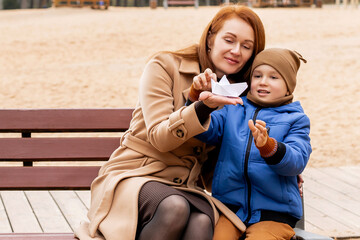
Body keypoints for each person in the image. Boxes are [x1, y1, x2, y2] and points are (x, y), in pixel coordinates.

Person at [74, 4, 265, 240]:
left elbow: (218, 169)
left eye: (247, 46)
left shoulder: (239, 96)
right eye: (229, 40)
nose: (236, 51)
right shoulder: (164, 65)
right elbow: (160, 138)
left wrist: (275, 167)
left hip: (185, 186)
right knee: (174, 207)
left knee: (201, 221)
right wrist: (201, 106)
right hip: (135, 176)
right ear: (210, 38)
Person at [193, 48, 312, 239]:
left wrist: (269, 146)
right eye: (258, 75)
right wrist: (200, 104)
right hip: (230, 209)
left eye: (274, 77)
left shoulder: (296, 119)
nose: (263, 81)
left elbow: (297, 161)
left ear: (289, 86)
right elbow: (206, 130)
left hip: (275, 213)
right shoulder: (233, 108)